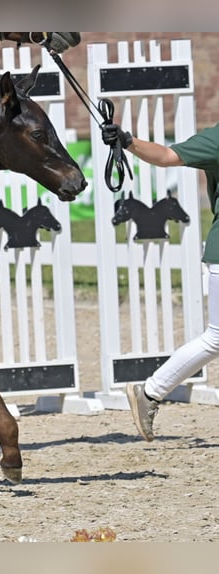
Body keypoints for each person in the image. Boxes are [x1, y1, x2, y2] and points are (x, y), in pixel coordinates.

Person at [102, 123, 219, 440]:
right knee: (216, 338)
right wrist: (128, 142)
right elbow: (168, 155)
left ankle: (151, 392)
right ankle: (151, 392)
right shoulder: (216, 139)